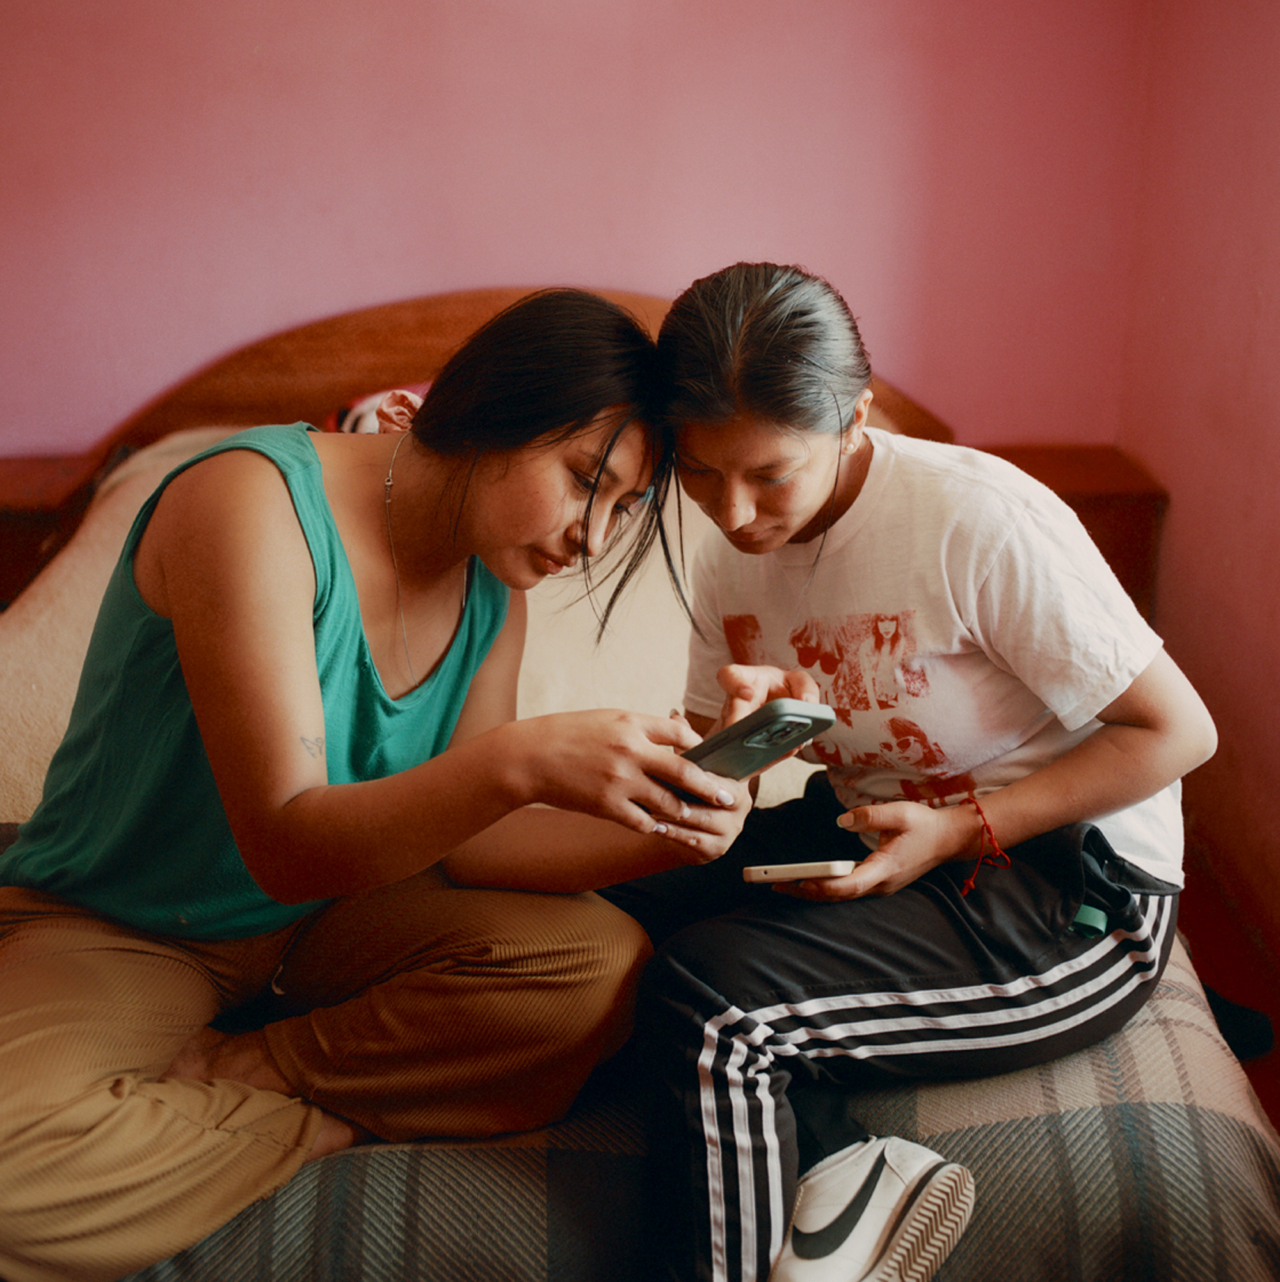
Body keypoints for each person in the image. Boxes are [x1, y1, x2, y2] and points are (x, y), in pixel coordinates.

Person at [0, 289, 749, 1282]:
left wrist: (679, 819)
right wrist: (518, 758)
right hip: (130, 920)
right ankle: (308, 1124)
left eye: (622, 510)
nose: (591, 538)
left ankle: (258, 1067)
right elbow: (284, 837)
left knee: (594, 960)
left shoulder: (492, 583)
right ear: (492, 409)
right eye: (584, 481)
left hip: (331, 921)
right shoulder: (246, 500)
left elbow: (478, 847)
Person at [600, 262, 1218, 1282]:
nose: (732, 510)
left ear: (855, 419)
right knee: (615, 899)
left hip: (1059, 882)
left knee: (714, 1005)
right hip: (878, 831)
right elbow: (721, 766)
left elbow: (1174, 730)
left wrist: (966, 824)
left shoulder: (974, 518)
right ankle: (845, 1170)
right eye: (700, 472)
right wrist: (740, 736)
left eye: (767, 474)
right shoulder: (722, 549)